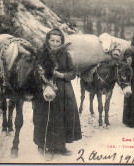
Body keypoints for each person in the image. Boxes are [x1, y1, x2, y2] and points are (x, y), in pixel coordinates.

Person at [32, 29, 82, 161]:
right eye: (52, 40)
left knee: (63, 117)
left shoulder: (65, 54)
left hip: (64, 90)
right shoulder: (41, 53)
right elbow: (35, 72)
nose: (54, 43)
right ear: (47, 40)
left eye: (57, 41)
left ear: (62, 42)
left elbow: (72, 72)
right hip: (46, 88)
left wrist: (61, 75)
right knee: (46, 117)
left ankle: (61, 146)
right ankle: (45, 147)